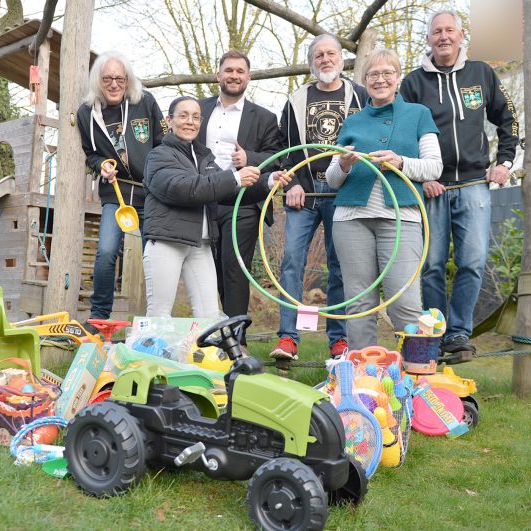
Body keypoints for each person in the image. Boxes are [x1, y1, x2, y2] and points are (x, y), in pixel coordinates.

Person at [399, 10, 519, 355]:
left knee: (473, 260)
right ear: (428, 40)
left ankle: (459, 333)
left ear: (461, 34)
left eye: (449, 30)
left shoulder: (482, 73)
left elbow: (507, 119)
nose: (443, 37)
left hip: (473, 185)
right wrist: (421, 177)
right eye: (436, 32)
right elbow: (403, 136)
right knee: (432, 264)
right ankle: (435, 333)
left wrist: (505, 161)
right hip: (432, 188)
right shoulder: (413, 83)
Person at [324, 49, 443, 350]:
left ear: (398, 77)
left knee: (404, 301)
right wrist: (344, 164)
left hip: (401, 218)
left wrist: (400, 161)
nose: (381, 79)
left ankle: (416, 372)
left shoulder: (418, 115)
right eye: (373, 74)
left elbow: (434, 167)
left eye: (387, 73)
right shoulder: (352, 122)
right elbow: (331, 178)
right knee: (359, 303)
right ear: (364, 81)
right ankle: (364, 375)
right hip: (352, 219)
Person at [269, 34, 370, 361]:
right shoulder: (296, 99)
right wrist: (292, 183)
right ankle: (288, 338)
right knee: (291, 263)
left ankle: (338, 340)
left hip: (346, 191)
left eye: (331, 54)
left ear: (341, 58)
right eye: (318, 55)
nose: (325, 59)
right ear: (312, 63)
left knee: (340, 265)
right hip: (306, 191)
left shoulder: (360, 96)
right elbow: (282, 148)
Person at [143, 97, 286, 318]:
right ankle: (147, 353)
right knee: (159, 314)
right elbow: (186, 189)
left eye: (196, 117)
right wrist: (235, 177)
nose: (190, 122)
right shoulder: (159, 155)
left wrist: (267, 181)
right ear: (169, 121)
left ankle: (203, 353)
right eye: (183, 116)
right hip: (166, 242)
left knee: (209, 315)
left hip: (200, 245)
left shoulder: (204, 158)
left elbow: (226, 190)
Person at [76, 51, 167, 329]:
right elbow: (90, 154)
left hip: (149, 194)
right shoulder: (86, 113)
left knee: (154, 254)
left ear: (127, 79)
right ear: (98, 81)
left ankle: (156, 318)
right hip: (115, 194)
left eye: (119, 78)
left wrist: (161, 180)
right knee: (105, 251)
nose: (114, 84)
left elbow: (164, 142)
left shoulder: (145, 101)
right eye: (107, 79)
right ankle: (99, 316)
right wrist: (101, 164)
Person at [197, 50, 282, 345]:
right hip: (203, 201)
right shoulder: (198, 109)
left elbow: (277, 159)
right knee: (207, 270)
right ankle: (210, 337)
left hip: (242, 203)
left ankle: (237, 342)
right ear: (218, 74)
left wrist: (250, 158)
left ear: (249, 77)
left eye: (240, 71)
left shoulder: (265, 118)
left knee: (235, 270)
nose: (234, 75)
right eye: (229, 70)